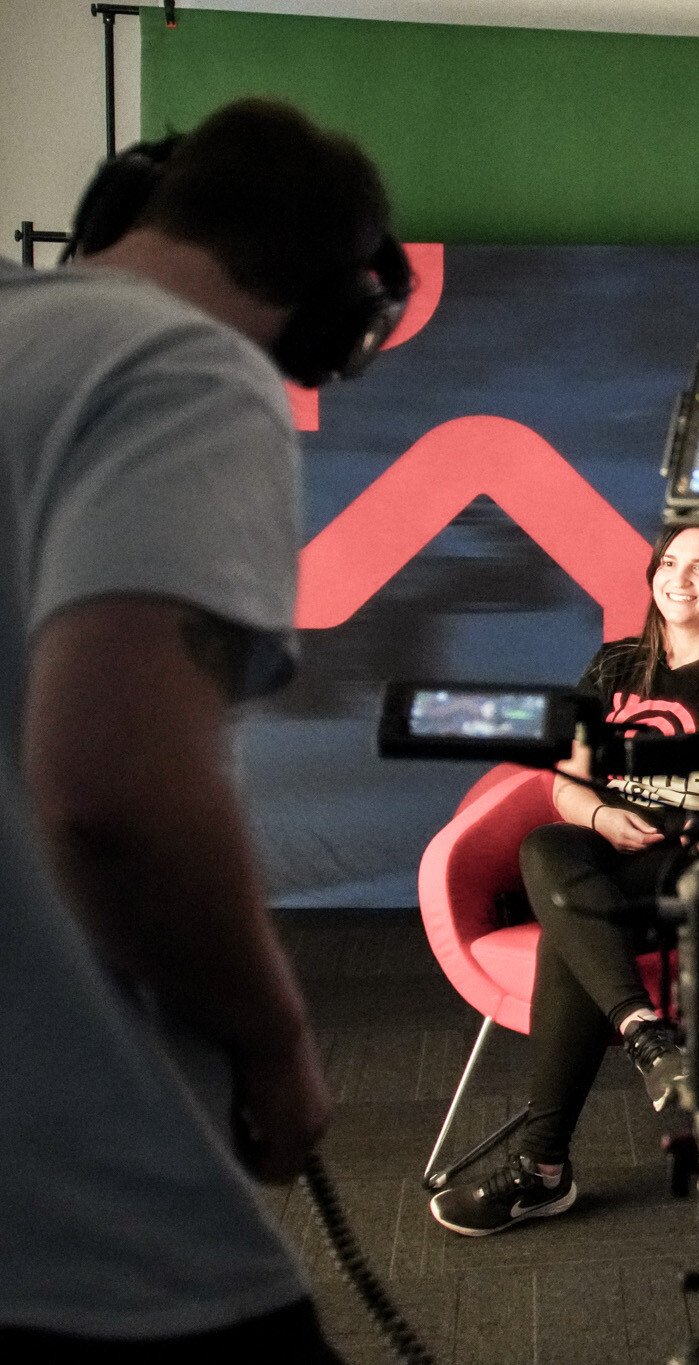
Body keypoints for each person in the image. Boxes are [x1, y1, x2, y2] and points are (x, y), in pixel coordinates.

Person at [0, 101, 404, 1357]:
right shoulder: (185, 371)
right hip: (79, 1216)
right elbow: (116, 794)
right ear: (338, 310)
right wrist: (275, 1043)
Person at [429, 522, 699, 1236]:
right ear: (651, 575)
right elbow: (566, 781)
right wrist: (601, 815)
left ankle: (542, 1168)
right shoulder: (617, 665)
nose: (680, 578)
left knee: (569, 928)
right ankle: (648, 1035)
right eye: (670, 563)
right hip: (614, 853)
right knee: (549, 847)